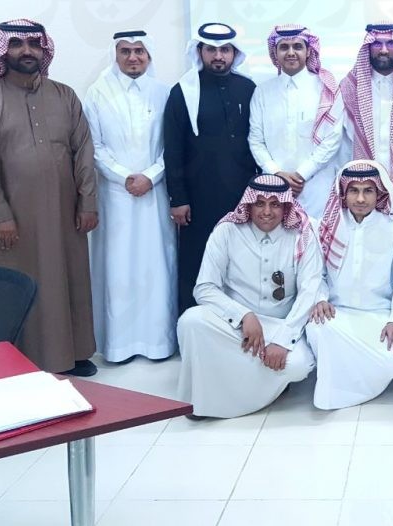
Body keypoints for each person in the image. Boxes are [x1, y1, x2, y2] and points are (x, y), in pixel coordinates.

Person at [0, 19, 98, 375]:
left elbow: (83, 150)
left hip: (65, 211)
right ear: (2, 50)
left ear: (44, 50)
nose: (27, 50)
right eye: (17, 43)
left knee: (69, 280)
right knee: (16, 287)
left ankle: (74, 354)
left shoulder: (64, 95)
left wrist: (88, 202)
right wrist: (1, 215)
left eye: (34, 44)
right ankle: (16, 363)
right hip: (14, 217)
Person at [176, 175, 322, 418]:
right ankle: (210, 397)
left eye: (275, 204)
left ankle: (262, 387)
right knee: (191, 321)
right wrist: (243, 315)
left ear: (286, 206)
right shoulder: (227, 231)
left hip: (279, 325)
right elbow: (204, 287)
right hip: (236, 327)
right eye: (260, 203)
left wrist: (282, 341)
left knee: (299, 365)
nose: (267, 212)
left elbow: (310, 291)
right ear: (249, 204)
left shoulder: (301, 234)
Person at [83, 30, 176, 362]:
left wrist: (150, 176)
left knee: (157, 267)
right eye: (126, 51)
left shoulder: (164, 92)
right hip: (115, 197)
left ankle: (159, 344)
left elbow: (172, 145)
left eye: (139, 51)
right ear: (116, 55)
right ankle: (118, 346)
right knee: (118, 269)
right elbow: (94, 147)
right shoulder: (97, 93)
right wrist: (124, 177)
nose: (133, 57)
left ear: (149, 56)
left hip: (155, 194)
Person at [164, 22, 257, 315]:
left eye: (225, 50)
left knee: (241, 262)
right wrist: (178, 198)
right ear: (200, 52)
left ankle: (243, 324)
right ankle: (193, 325)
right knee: (198, 261)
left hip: (242, 195)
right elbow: (173, 148)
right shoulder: (183, 91)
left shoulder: (248, 88)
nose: (218, 56)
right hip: (198, 197)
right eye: (211, 50)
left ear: (234, 53)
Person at [307, 160, 393, 410]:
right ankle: (336, 392)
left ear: (379, 193)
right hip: (337, 315)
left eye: (368, 191)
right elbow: (316, 274)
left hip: (378, 315)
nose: (360, 199)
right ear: (344, 192)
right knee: (318, 328)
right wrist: (320, 298)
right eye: (353, 190)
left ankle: (351, 385)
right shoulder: (327, 225)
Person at [248, 25, 343, 219]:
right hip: (273, 187)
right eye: (284, 47)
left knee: (316, 235)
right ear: (275, 53)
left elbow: (333, 139)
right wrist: (276, 173)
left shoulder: (326, 89)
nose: (291, 52)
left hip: (317, 187)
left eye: (298, 46)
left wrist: (301, 175)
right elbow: (256, 140)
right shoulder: (262, 92)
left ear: (308, 51)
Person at [339, 24, 393, 222]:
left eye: (390, 43)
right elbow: (342, 140)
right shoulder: (350, 86)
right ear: (368, 47)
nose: (384, 50)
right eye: (377, 44)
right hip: (361, 183)